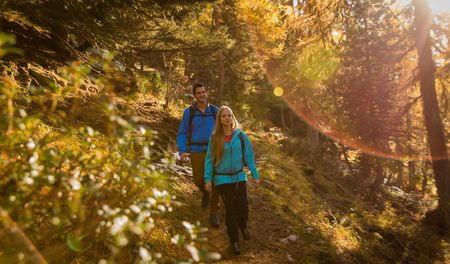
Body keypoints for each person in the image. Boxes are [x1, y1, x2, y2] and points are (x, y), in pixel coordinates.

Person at [204, 106, 260, 255]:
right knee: (230, 209)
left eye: (229, 115)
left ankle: (243, 225)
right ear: (220, 119)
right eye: (224, 116)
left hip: (239, 177)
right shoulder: (214, 138)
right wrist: (208, 179)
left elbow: (249, 156)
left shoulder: (241, 136)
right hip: (222, 179)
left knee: (243, 206)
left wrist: (255, 174)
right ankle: (234, 241)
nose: (227, 118)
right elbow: (209, 160)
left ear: (232, 117)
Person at [177, 83, 221, 227]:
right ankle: (205, 192)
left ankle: (214, 212)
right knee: (197, 179)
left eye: (203, 92)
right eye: (199, 93)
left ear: (206, 93)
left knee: (215, 181)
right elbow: (182, 132)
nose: (202, 94)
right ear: (195, 96)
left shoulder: (215, 111)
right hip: (196, 150)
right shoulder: (189, 112)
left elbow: (226, 128)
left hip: (214, 150)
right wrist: (182, 150)